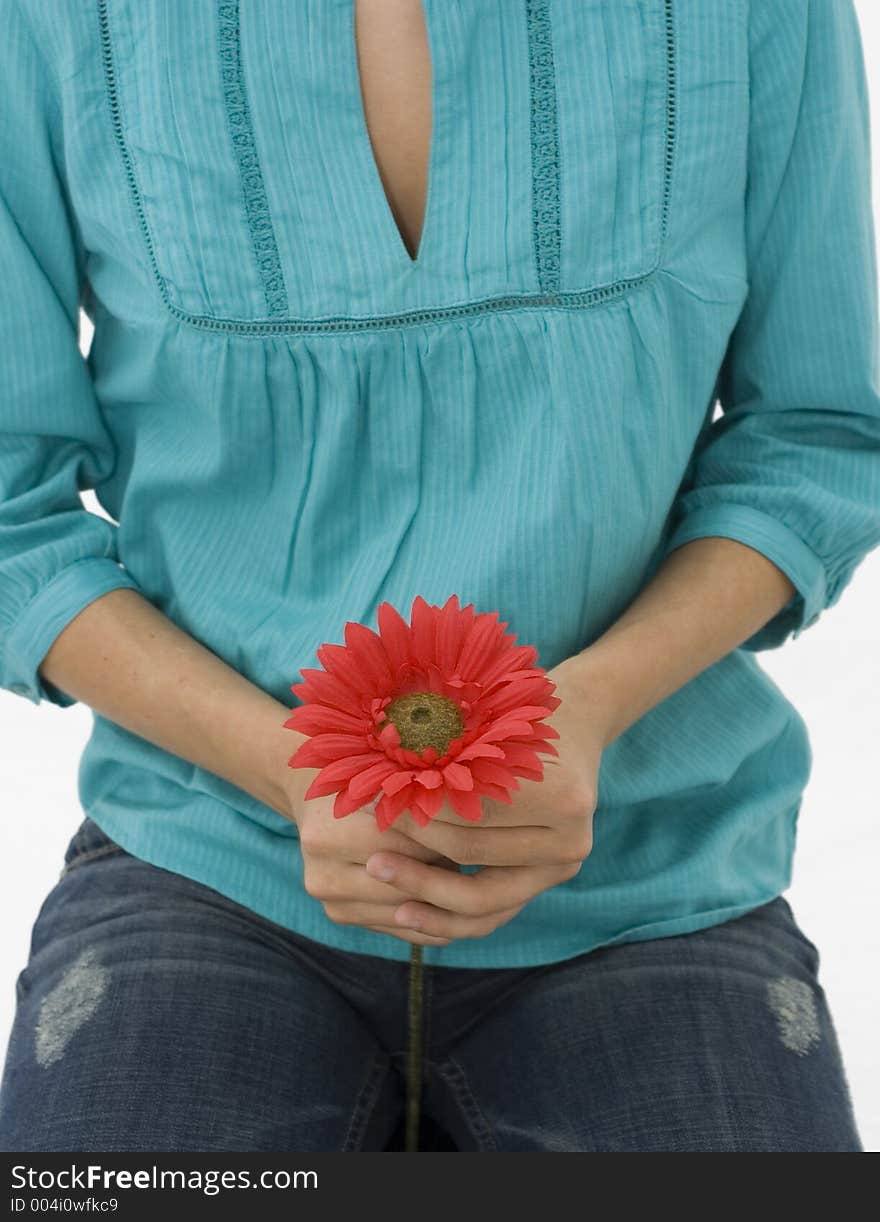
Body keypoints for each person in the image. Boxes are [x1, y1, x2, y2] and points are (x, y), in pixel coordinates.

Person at [0, 0, 876, 1152]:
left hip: (650, 863)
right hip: (209, 847)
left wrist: (595, 707)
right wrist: (287, 771)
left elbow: (811, 433)